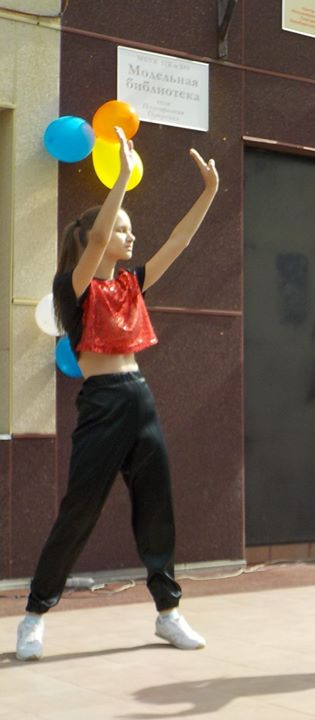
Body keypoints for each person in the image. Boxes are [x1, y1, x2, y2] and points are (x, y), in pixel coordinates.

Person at [16, 128, 219, 661]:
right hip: (102, 403)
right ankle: (34, 615)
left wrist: (208, 194)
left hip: (139, 398)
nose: (130, 237)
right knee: (80, 510)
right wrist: (123, 177)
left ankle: (168, 612)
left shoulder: (131, 284)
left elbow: (178, 242)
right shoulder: (72, 288)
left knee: (156, 508)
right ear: (95, 238)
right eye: (122, 230)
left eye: (130, 230)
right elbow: (100, 235)